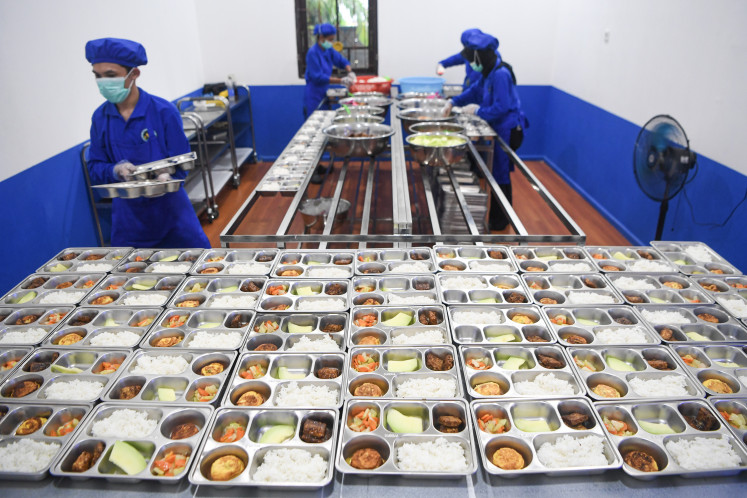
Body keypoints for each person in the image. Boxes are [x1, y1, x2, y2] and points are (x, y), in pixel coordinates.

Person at [85, 37, 211, 248]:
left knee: (196, 269)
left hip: (172, 215)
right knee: (132, 275)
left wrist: (167, 175)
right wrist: (116, 170)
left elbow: (182, 160)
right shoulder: (100, 118)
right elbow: (95, 166)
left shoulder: (163, 112)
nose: (103, 82)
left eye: (110, 75)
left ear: (134, 74)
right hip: (129, 221)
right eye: (97, 76)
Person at [450, 31, 528, 231]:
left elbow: (502, 107)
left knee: (500, 174)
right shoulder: (489, 72)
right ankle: (496, 215)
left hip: (508, 128)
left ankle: (501, 220)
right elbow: (474, 91)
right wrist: (453, 102)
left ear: (480, 57)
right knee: (494, 172)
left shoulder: (501, 74)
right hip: (498, 126)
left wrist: (477, 110)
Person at [303, 22, 355, 118]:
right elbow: (317, 77)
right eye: (330, 40)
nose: (331, 42)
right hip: (314, 95)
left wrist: (349, 71)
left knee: (326, 120)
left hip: (324, 92)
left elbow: (341, 61)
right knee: (315, 122)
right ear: (321, 37)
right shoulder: (312, 53)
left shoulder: (328, 50)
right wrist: (341, 80)